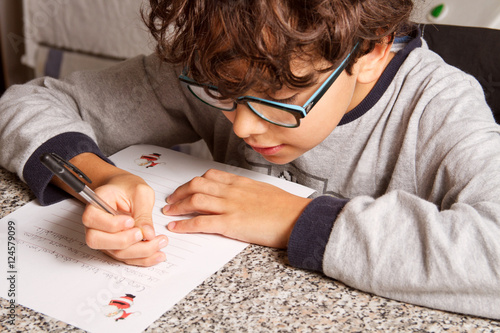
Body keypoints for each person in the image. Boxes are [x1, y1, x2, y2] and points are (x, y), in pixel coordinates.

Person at [1, 0, 499, 320]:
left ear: (370, 51)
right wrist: (98, 173)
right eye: (220, 93)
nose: (241, 126)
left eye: (279, 99)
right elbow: (25, 104)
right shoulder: (225, 59)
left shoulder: (440, 108)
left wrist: (295, 217)